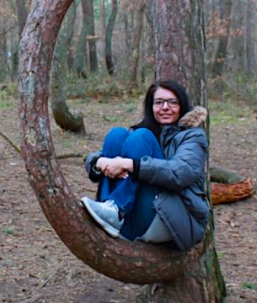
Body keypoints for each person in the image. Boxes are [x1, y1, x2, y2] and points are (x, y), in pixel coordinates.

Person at [81, 80, 209, 251]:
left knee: (141, 138)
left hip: (170, 219)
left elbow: (181, 172)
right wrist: (98, 162)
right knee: (116, 135)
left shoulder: (193, 137)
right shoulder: (140, 131)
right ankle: (109, 209)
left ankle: (116, 210)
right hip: (135, 215)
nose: (165, 107)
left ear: (182, 106)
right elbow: (96, 157)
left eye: (172, 102)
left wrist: (131, 164)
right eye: (159, 102)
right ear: (151, 106)